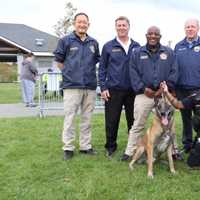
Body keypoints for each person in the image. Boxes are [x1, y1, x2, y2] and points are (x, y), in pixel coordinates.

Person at [121, 26, 181, 161]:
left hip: (164, 95)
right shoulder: (137, 52)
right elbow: (133, 72)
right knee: (138, 124)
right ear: (146, 35)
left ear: (160, 36)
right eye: (150, 34)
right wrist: (143, 88)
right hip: (144, 95)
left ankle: (174, 151)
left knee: (169, 124)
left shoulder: (169, 52)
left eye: (156, 34)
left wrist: (165, 87)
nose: (153, 36)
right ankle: (130, 152)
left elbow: (174, 71)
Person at [53, 12, 100, 160]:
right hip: (72, 87)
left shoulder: (94, 42)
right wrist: (69, 73)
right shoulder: (65, 41)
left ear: (88, 24)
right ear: (74, 24)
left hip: (90, 87)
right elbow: (59, 61)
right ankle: (68, 147)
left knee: (87, 118)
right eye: (79, 22)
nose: (82, 25)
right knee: (70, 118)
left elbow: (96, 61)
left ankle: (85, 146)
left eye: (85, 22)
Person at [98, 16, 140, 158]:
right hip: (113, 90)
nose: (121, 27)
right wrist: (103, 87)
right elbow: (102, 69)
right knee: (111, 120)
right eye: (119, 25)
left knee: (133, 121)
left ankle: (132, 147)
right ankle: (110, 146)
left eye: (124, 25)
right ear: (115, 27)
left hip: (133, 91)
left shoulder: (137, 46)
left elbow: (141, 68)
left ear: (129, 27)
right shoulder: (108, 46)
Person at [175, 18, 200, 153]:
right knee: (186, 120)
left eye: (192, 27)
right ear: (184, 29)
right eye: (187, 27)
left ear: (198, 28)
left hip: (198, 90)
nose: (190, 29)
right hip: (182, 90)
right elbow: (174, 68)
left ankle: (198, 144)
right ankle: (187, 145)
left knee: (198, 120)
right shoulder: (178, 46)